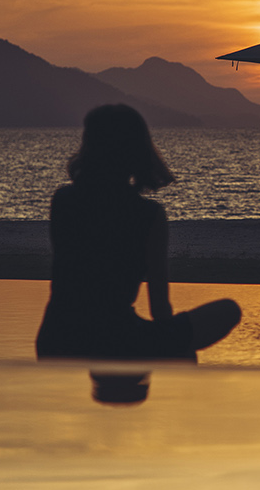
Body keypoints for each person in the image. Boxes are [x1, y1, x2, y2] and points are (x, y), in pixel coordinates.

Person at [36, 104, 241, 360]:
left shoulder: (63, 200)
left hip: (55, 338)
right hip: (117, 340)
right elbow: (160, 310)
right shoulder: (148, 215)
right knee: (227, 312)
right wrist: (174, 343)